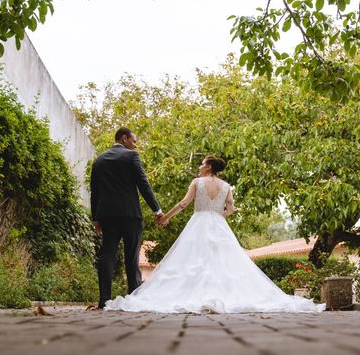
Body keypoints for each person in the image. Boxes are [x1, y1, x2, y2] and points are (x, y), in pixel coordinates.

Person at [105, 155, 325, 313]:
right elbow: (230, 209)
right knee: (224, 262)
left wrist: (167, 216)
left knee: (192, 259)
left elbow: (184, 203)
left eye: (202, 164)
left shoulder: (197, 182)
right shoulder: (226, 185)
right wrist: (218, 216)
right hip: (218, 224)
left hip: (198, 222)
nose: (200, 167)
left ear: (209, 166)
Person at [90, 127, 163, 309]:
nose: (135, 145)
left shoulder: (99, 161)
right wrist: (157, 210)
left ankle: (104, 300)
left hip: (107, 216)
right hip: (130, 215)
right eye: (134, 141)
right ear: (124, 138)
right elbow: (143, 185)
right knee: (131, 257)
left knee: (107, 255)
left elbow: (95, 192)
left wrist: (96, 218)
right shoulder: (131, 157)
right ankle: (134, 299)